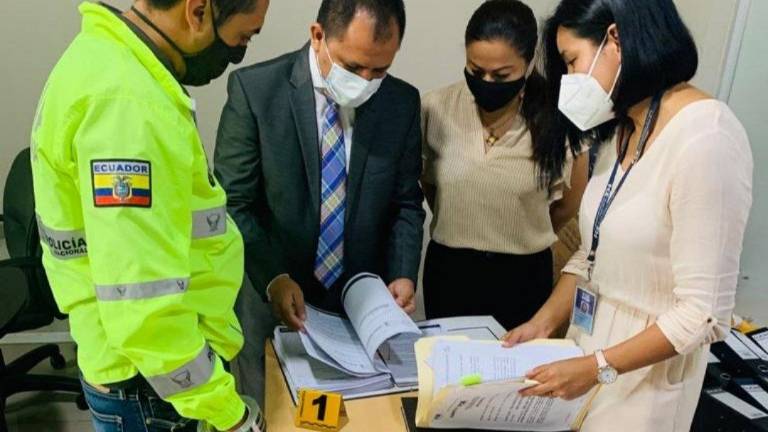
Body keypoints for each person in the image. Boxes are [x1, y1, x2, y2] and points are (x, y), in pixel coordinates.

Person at [502, 0, 753, 430]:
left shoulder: (706, 137)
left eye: (572, 62)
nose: (571, 80)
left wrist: (597, 367)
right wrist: (543, 324)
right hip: (588, 358)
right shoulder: (625, 128)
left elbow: (702, 314)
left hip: (644, 383)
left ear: (615, 39)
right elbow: (593, 253)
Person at [31, 1, 270, 431]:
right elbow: (143, 308)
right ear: (198, 12)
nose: (238, 53)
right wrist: (229, 414)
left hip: (139, 369)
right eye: (242, 37)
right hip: (154, 387)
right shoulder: (129, 109)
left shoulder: (101, 58)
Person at [214, 0, 424, 403]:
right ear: (318, 36)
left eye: (380, 70)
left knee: (359, 415)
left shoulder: (400, 103)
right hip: (272, 295)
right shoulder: (257, 91)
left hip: (360, 306)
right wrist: (273, 278)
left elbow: (406, 203)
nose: (366, 81)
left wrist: (403, 274)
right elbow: (234, 203)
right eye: (353, 67)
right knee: (274, 411)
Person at [420, 0, 587, 331]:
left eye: (501, 75)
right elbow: (430, 186)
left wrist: (521, 228)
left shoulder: (558, 119)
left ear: (528, 62)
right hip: (450, 273)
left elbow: (567, 205)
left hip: (523, 278)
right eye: (475, 70)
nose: (486, 82)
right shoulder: (435, 108)